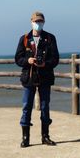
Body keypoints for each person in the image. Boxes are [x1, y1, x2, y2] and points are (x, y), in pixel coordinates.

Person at [15, 11, 59, 148]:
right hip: (29, 77)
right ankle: (25, 137)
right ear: (31, 22)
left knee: (45, 106)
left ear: (44, 22)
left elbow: (55, 59)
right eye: (36, 21)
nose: (38, 24)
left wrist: (45, 63)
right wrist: (28, 60)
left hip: (45, 77)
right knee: (26, 106)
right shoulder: (25, 38)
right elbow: (17, 58)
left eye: (40, 21)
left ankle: (45, 136)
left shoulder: (50, 38)